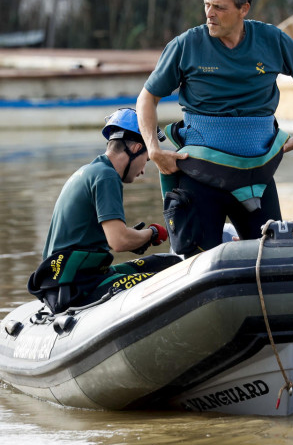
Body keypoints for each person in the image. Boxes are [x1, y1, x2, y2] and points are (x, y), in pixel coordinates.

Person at [137, 0, 293, 255]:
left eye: (219, 7)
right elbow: (147, 98)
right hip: (199, 176)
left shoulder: (271, 39)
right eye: (207, 5)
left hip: (258, 177)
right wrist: (153, 149)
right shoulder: (186, 45)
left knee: (274, 258)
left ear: (243, 9)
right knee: (195, 263)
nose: (209, 14)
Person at [27, 108, 181, 313]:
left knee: (169, 262)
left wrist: (139, 237)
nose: (143, 169)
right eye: (147, 159)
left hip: (68, 280)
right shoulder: (107, 176)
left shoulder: (90, 170)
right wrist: (152, 233)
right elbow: (119, 241)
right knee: (170, 278)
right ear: (135, 148)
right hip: (76, 287)